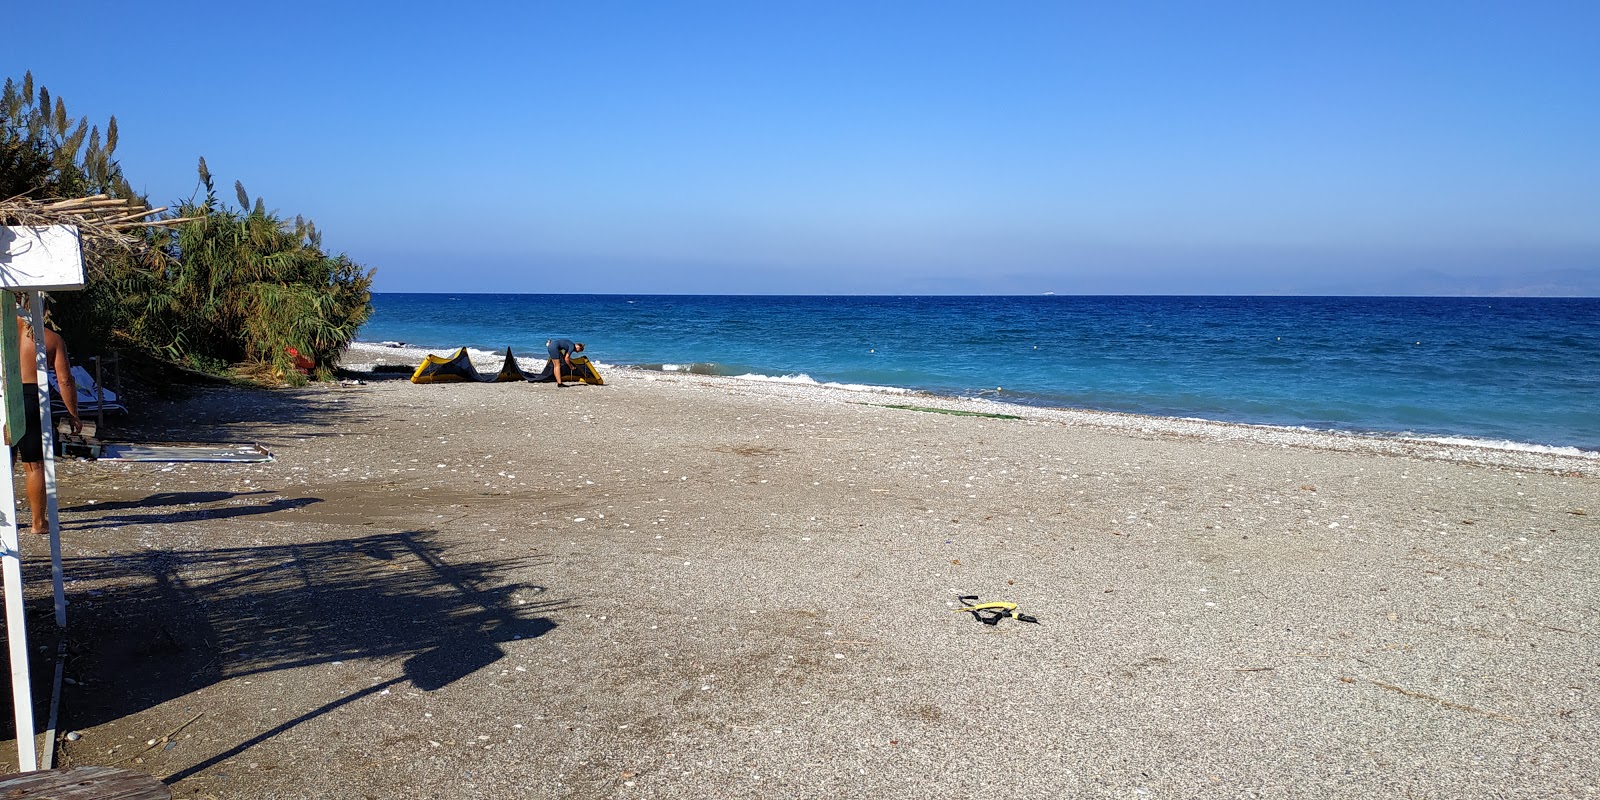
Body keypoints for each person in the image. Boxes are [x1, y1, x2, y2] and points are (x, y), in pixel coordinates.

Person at [13, 301, 80, 534]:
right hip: (31, 397)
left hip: (4, 394)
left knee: (4, 463)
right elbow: (64, 380)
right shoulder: (50, 339)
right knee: (34, 464)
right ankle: (38, 522)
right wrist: (73, 414)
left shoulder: (4, 335)